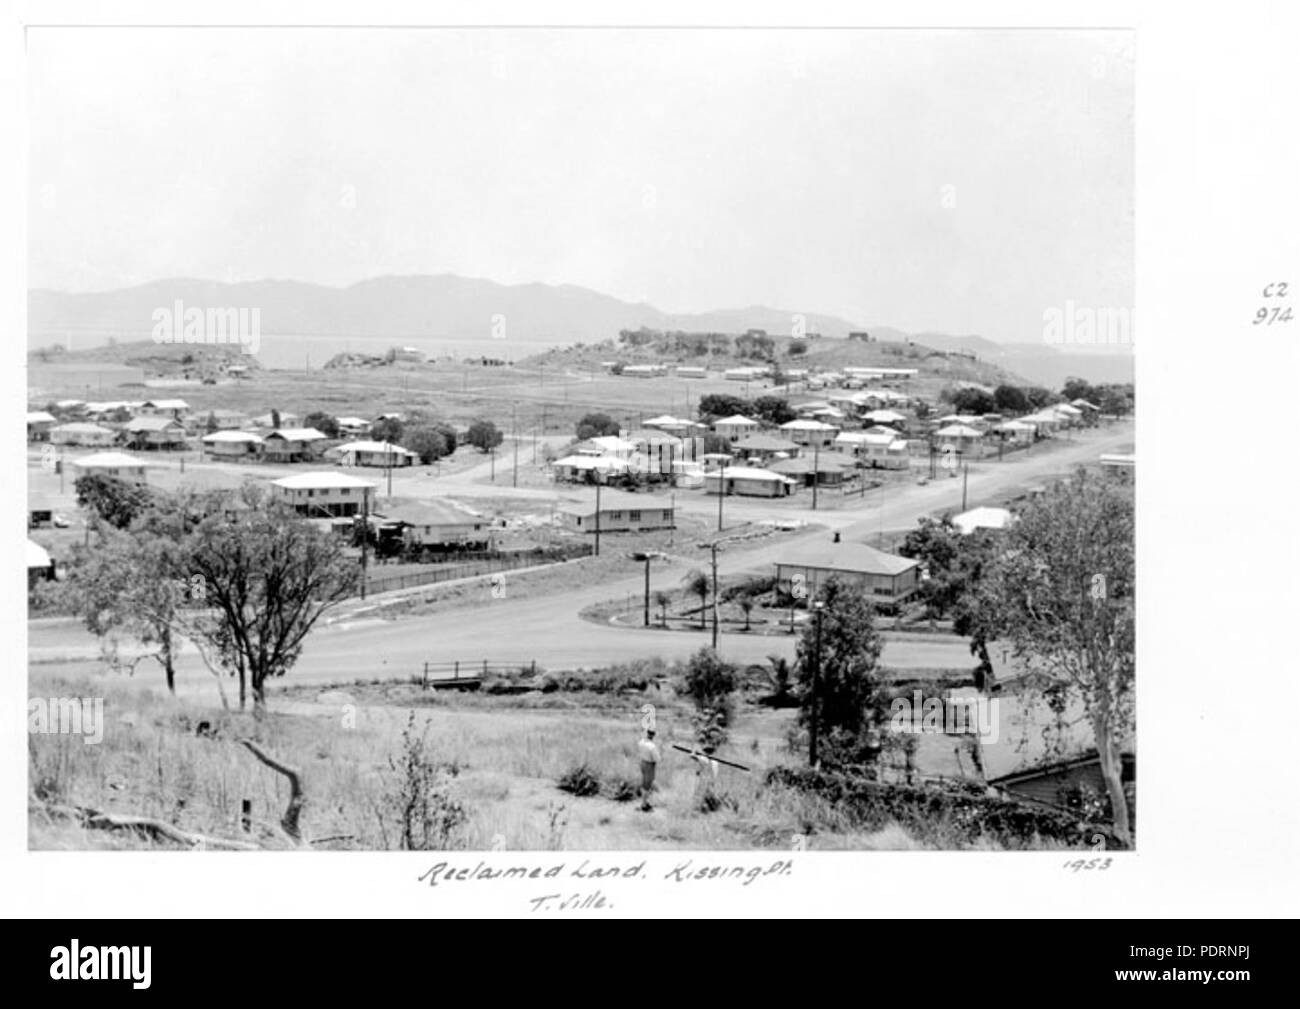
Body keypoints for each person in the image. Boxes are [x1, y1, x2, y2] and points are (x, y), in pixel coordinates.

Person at [637, 729, 660, 809]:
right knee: (647, 785)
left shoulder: (641, 742)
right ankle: (644, 804)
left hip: (643, 762)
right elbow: (657, 759)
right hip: (649, 765)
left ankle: (646, 801)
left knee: (644, 783)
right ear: (653, 735)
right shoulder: (652, 746)